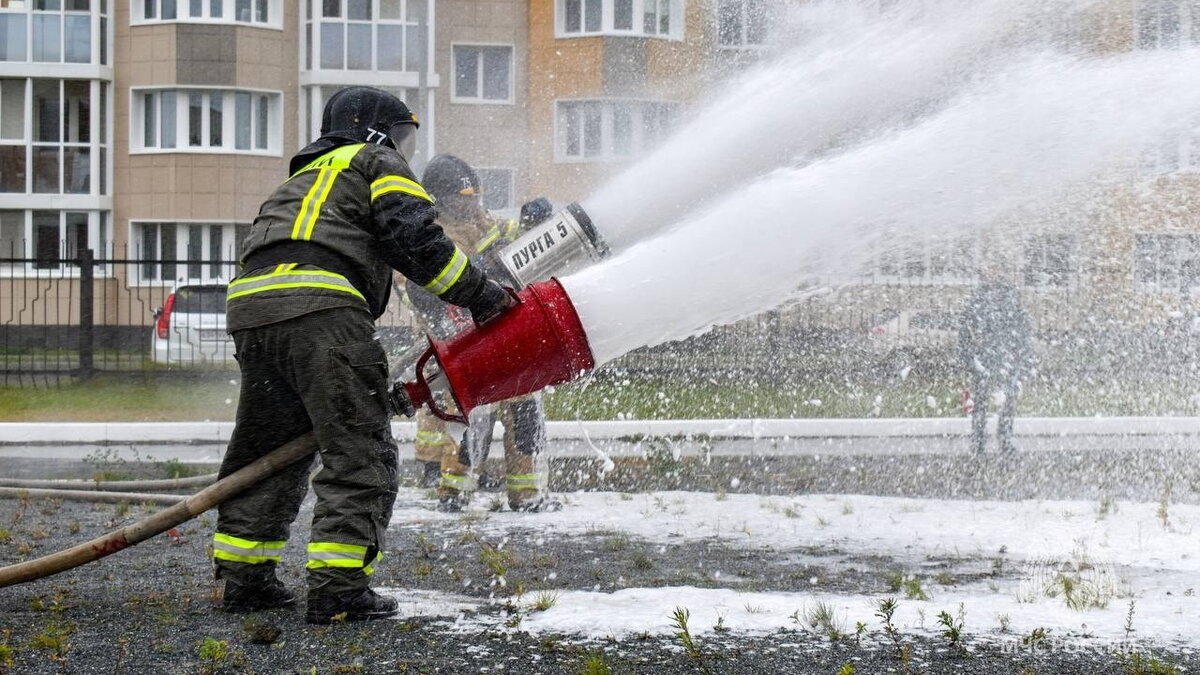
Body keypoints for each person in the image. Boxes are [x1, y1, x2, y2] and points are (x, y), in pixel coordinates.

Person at [213, 88, 514, 624]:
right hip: (321, 309)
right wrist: (483, 294)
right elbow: (419, 241)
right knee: (360, 450)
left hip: (251, 312)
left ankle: (247, 578)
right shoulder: (375, 159)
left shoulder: (300, 180)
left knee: (267, 446)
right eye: (402, 136)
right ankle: (338, 588)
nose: (405, 150)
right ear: (376, 130)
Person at [406, 154, 558, 513]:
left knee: (525, 413)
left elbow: (514, 240)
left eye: (475, 193)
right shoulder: (432, 233)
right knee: (471, 414)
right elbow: (425, 289)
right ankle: (453, 492)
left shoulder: (483, 221)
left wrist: (534, 223)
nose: (472, 201)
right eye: (463, 194)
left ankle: (527, 495)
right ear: (441, 197)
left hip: (507, 331)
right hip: (464, 341)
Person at [958, 277, 1032, 454]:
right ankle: (993, 439)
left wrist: (971, 360)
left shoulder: (978, 308)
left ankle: (985, 440)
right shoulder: (1008, 309)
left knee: (990, 403)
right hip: (995, 363)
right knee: (993, 403)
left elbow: (1023, 338)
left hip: (994, 362)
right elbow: (1023, 341)